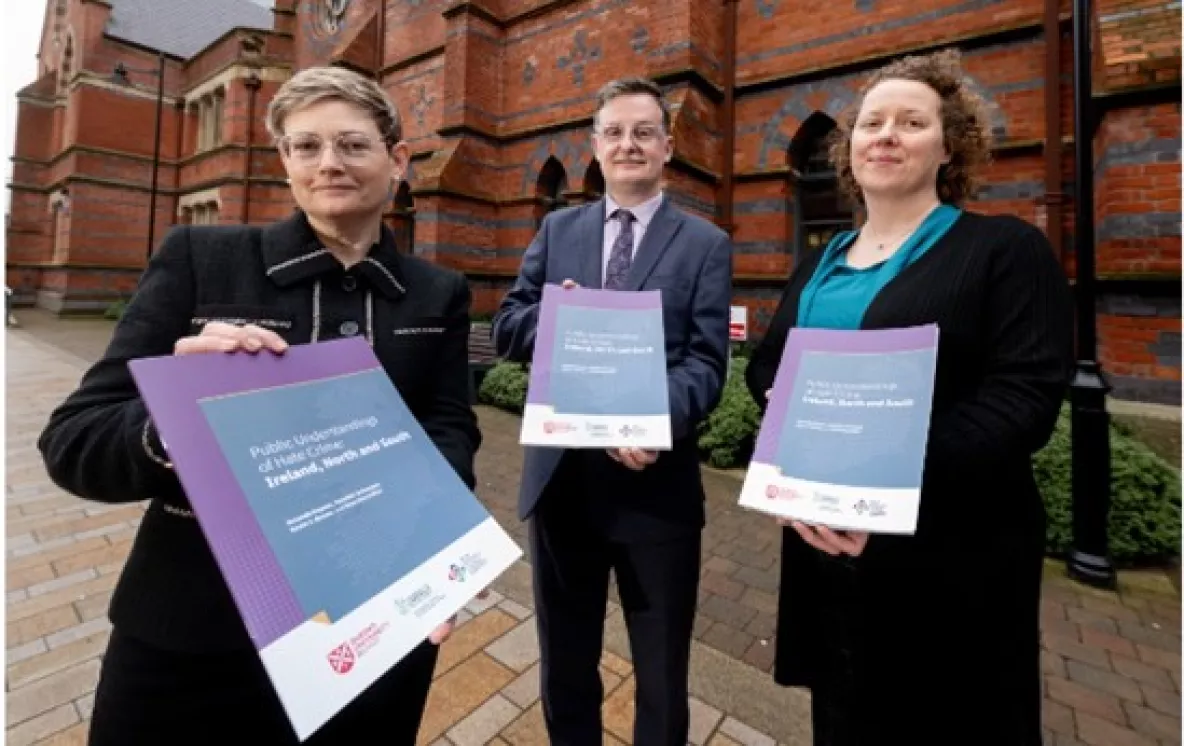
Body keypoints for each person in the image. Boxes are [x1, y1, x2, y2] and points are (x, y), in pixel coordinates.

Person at [37, 66, 480, 745]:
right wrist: (172, 428)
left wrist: (436, 558)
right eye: (306, 146)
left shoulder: (437, 292)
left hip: (369, 629)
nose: (328, 163)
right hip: (192, 631)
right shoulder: (202, 257)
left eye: (353, 145)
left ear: (397, 160)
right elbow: (74, 442)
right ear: (285, 162)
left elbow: (447, 427)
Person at [744, 49, 1074, 745]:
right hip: (825, 545)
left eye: (911, 121)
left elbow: (1024, 400)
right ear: (851, 145)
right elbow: (766, 368)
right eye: (871, 122)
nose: (886, 134)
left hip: (951, 554)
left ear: (949, 145)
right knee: (841, 713)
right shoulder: (819, 261)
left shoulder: (1003, 250)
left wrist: (876, 478)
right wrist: (790, 442)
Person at [492, 77, 732, 745]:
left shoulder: (704, 244)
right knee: (566, 664)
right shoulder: (556, 229)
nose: (629, 144)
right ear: (596, 148)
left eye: (643, 131)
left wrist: (654, 420)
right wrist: (552, 321)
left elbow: (707, 365)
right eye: (615, 132)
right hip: (562, 482)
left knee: (660, 674)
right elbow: (508, 323)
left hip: (654, 491)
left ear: (667, 146)